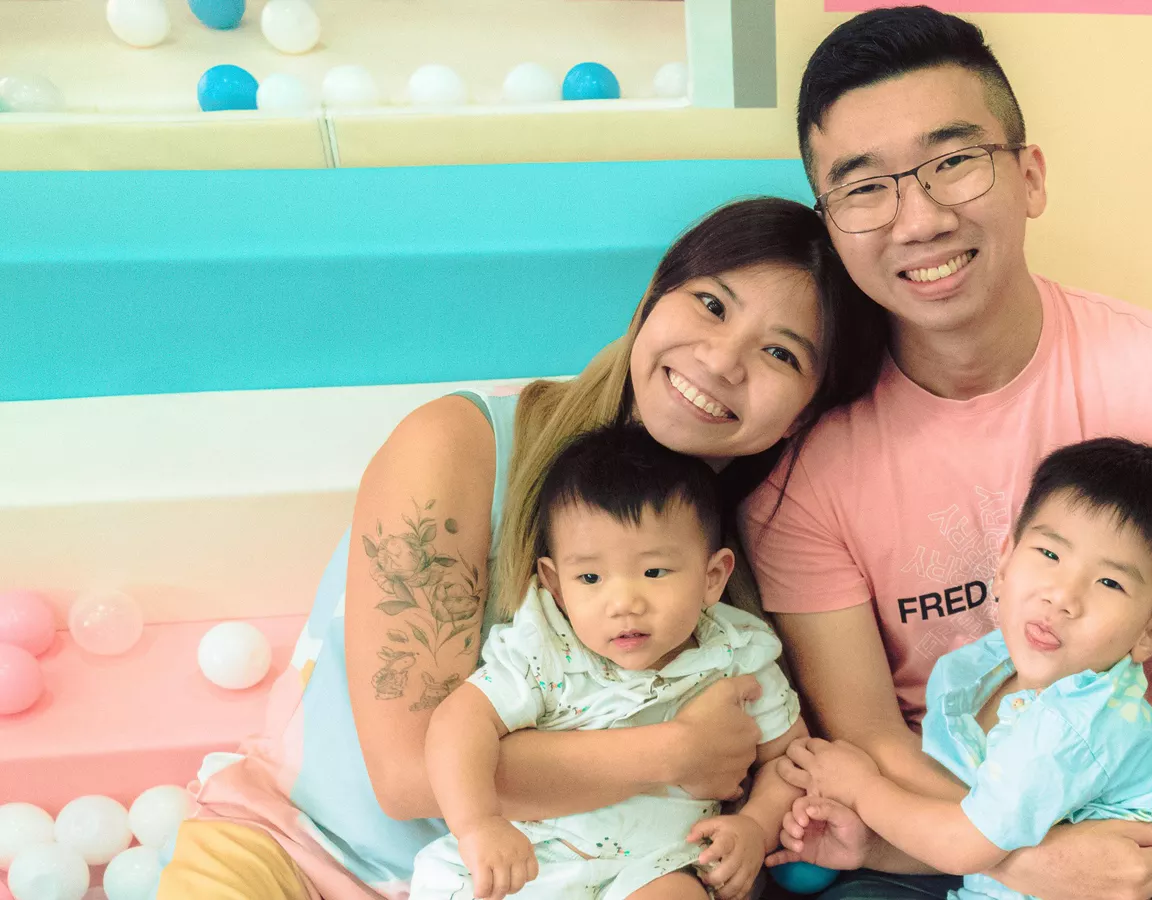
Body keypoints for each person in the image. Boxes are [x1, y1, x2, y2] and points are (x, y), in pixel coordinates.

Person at [155, 197, 887, 900]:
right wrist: (675, 754)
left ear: (804, 414)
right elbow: (410, 776)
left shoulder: (751, 558)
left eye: (781, 354)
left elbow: (781, 763)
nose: (723, 360)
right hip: (301, 853)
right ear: (651, 299)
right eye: (711, 304)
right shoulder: (458, 445)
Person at [742, 8, 1152, 900]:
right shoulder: (805, 472)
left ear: (1029, 175)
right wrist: (1028, 861)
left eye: (953, 162)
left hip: (1135, 812)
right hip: (925, 821)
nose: (917, 219)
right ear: (832, 223)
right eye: (865, 188)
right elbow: (874, 740)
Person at [767, 439, 1152, 900]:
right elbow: (991, 840)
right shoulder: (989, 667)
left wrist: (863, 790)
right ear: (1004, 563)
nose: (1063, 596)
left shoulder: (1070, 725)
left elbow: (968, 844)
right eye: (1049, 553)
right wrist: (871, 851)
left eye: (1110, 583)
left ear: (1150, 635)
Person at [412, 424, 807, 900]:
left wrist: (754, 827)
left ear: (713, 577)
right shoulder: (544, 650)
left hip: (654, 869)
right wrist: (477, 823)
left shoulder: (737, 654)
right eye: (592, 576)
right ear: (557, 585)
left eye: (654, 571)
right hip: (530, 858)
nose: (623, 603)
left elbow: (788, 756)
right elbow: (458, 722)